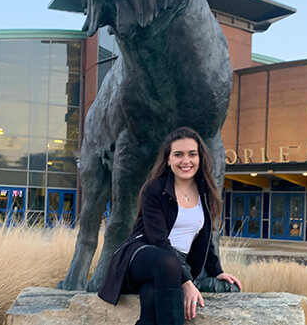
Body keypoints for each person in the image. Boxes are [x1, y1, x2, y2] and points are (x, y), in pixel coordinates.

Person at [98, 127, 241, 324]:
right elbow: (158, 240)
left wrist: (217, 271)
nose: (186, 161)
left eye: (192, 154)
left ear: (200, 158)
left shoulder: (205, 192)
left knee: (150, 296)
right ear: (168, 159)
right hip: (142, 255)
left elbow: (206, 238)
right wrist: (187, 282)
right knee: (167, 263)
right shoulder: (154, 190)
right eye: (178, 154)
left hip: (172, 266)